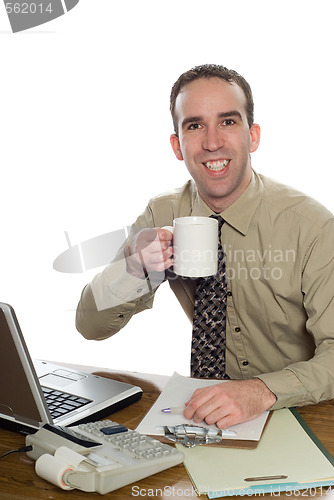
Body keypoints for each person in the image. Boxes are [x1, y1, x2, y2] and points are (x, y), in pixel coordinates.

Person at [76, 64, 334, 429]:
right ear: (177, 145)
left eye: (228, 122)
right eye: (194, 126)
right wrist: (134, 270)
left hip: (298, 411)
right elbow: (90, 325)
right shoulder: (162, 212)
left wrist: (259, 391)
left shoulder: (312, 227)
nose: (212, 142)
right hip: (205, 413)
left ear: (253, 136)